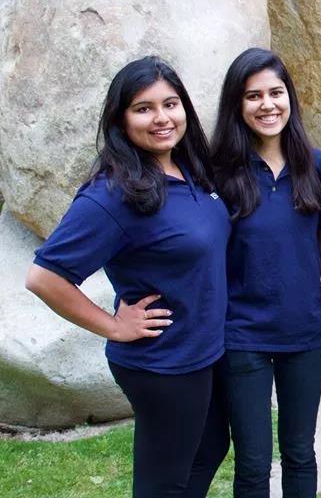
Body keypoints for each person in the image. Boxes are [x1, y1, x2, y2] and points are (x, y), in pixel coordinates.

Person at [25, 57, 231, 497]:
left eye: (170, 104)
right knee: (163, 484)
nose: (161, 118)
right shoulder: (112, 194)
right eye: (143, 108)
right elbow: (45, 277)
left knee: (209, 448)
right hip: (163, 362)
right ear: (121, 120)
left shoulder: (188, 169)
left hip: (202, 351)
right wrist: (114, 326)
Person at [210, 48, 321, 498]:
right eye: (253, 96)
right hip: (242, 334)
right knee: (253, 461)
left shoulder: (318, 167)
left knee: (300, 452)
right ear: (237, 105)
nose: (267, 105)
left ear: (290, 98)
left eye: (276, 93)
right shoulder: (218, 174)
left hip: (305, 332)